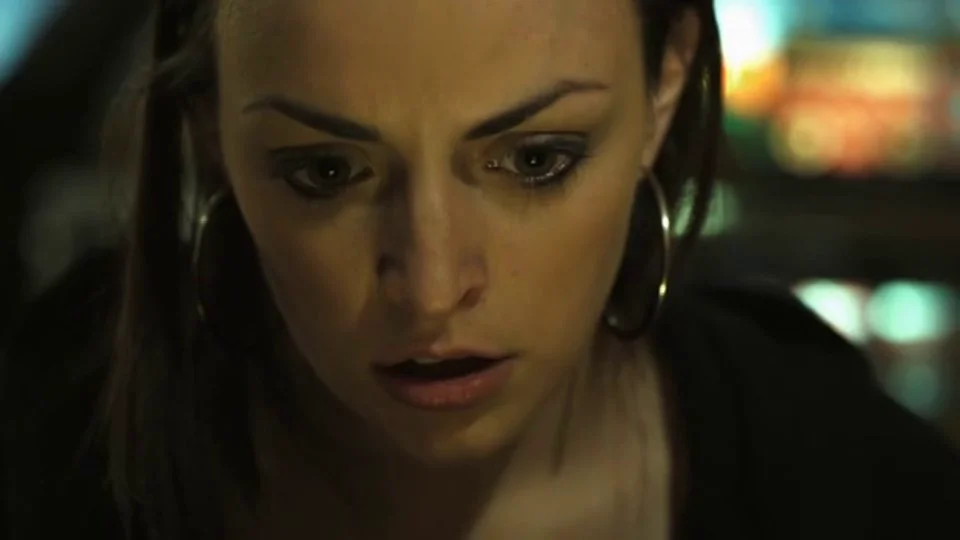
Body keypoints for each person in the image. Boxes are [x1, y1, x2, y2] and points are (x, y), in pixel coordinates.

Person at [4, 0, 959, 538]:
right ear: (212, 134)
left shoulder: (849, 484)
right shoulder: (52, 446)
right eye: (325, 172)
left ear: (665, 85)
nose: (431, 287)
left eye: (537, 159)